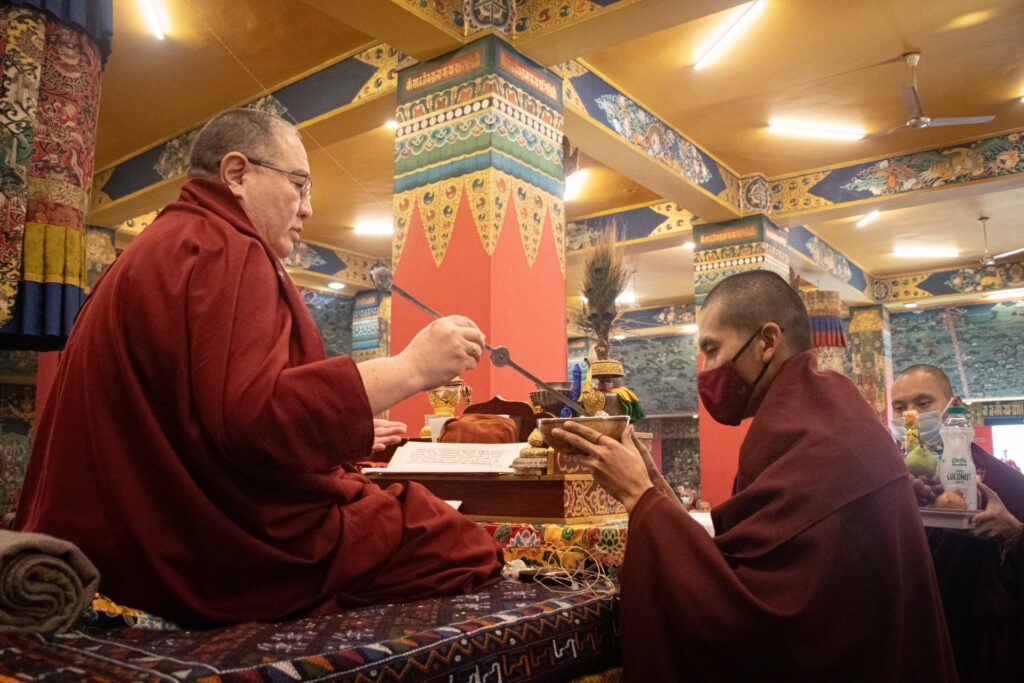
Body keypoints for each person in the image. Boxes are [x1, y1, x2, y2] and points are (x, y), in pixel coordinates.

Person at [14, 109, 502, 627]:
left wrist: (340, 434)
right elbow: (254, 419)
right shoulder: (228, 248)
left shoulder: (155, 247)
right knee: (458, 542)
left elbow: (198, 411)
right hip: (198, 549)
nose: (308, 207)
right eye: (298, 184)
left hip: (113, 538)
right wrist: (412, 368)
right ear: (237, 173)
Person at [554, 270, 956, 681]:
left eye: (712, 350)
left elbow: (755, 614)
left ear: (767, 342)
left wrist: (639, 497)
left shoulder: (820, 438)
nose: (706, 370)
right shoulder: (825, 409)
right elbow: (746, 553)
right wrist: (656, 485)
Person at [893, 365, 1024, 682]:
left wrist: (1012, 532)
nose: (910, 415)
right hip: (912, 633)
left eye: (923, 403)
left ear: (954, 406)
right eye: (899, 407)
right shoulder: (890, 476)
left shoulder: (1001, 480)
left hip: (975, 640)